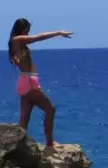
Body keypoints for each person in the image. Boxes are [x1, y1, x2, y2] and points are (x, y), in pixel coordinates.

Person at [7, 18, 74, 149]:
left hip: (24, 82)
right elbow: (38, 37)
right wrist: (59, 33)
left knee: (24, 121)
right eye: (28, 30)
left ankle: (18, 147)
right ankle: (50, 143)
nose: (28, 33)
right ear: (24, 29)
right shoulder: (17, 40)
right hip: (29, 82)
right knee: (50, 109)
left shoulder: (14, 42)